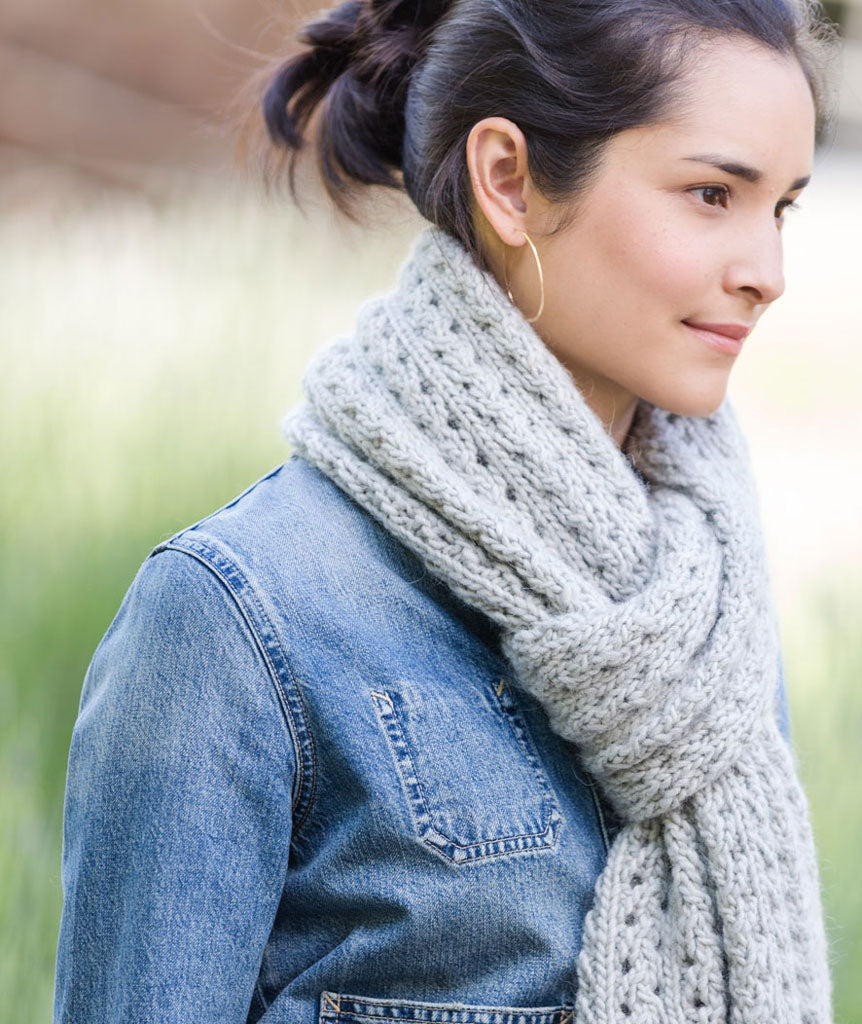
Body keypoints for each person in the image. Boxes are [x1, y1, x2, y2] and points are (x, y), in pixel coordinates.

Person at [54, 1, 840, 1022]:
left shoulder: (706, 597)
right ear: (507, 180)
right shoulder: (238, 617)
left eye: (781, 208)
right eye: (710, 194)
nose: (767, 275)